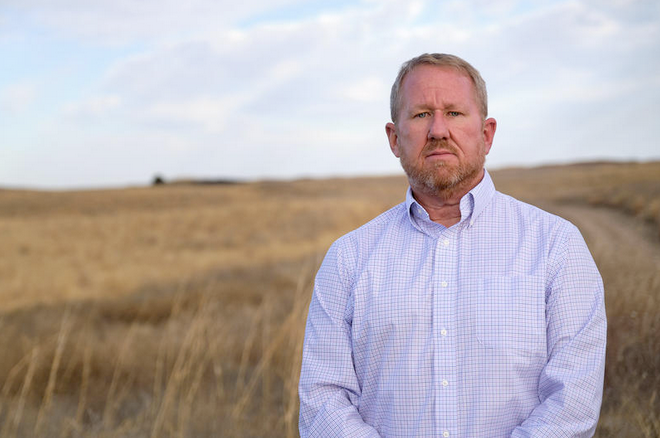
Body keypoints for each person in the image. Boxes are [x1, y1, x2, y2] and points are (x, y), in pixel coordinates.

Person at [298, 53, 607, 437]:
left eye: (455, 114)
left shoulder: (556, 247)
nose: (438, 130)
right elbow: (322, 402)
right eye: (422, 114)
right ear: (395, 138)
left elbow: (572, 404)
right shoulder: (348, 258)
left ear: (487, 134)